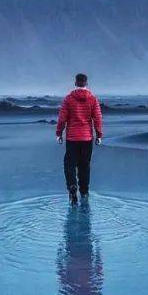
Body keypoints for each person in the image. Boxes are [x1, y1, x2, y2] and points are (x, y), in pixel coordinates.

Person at [55, 72, 103, 203]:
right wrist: (99, 135)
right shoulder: (93, 99)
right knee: (84, 166)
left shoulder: (68, 99)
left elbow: (62, 119)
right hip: (87, 138)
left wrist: (59, 133)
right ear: (86, 83)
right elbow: (97, 118)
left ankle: (72, 185)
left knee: (69, 164)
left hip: (72, 138)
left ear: (75, 83)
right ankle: (84, 192)